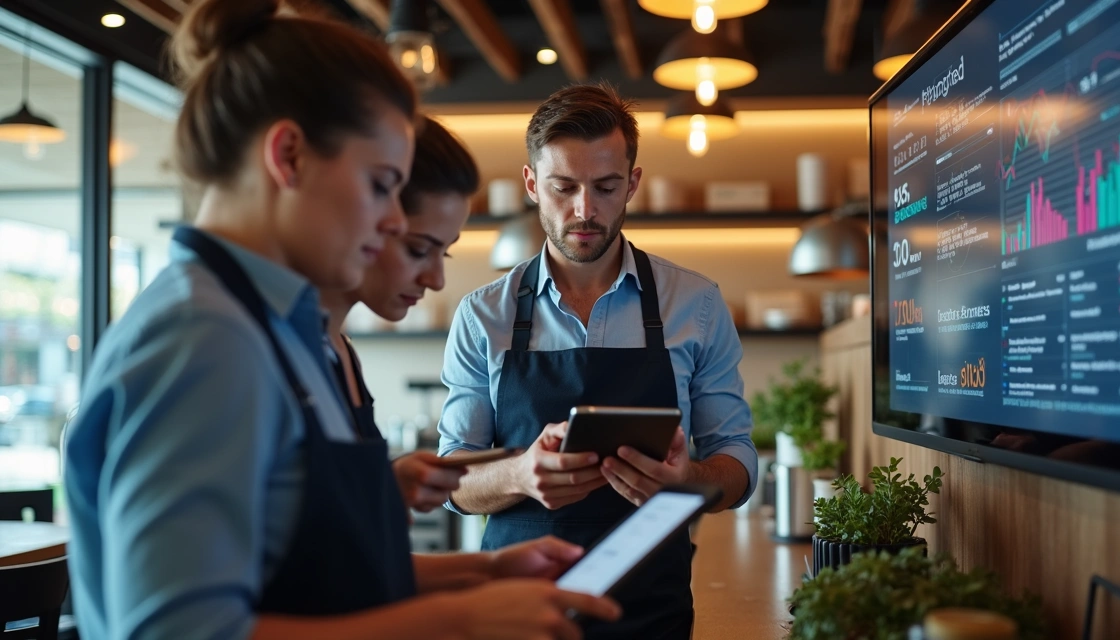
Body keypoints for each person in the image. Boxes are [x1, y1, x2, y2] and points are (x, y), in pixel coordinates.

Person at [62, 2, 619, 639]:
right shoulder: (206, 337)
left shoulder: (274, 328)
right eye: (382, 184)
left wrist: (488, 574)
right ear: (289, 156)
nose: (390, 222)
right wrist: (459, 619)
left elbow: (306, 580)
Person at [437, 82, 759, 639]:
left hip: (651, 612)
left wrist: (688, 481)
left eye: (606, 187)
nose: (585, 211)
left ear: (632, 183)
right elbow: (453, 481)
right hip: (516, 614)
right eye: (564, 187)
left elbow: (738, 462)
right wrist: (519, 473)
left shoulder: (698, 305)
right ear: (533, 184)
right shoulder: (481, 315)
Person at [320, 116, 476, 515]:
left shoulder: (340, 349)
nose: (437, 280)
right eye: (419, 249)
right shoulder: (243, 339)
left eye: (446, 253)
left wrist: (490, 568)